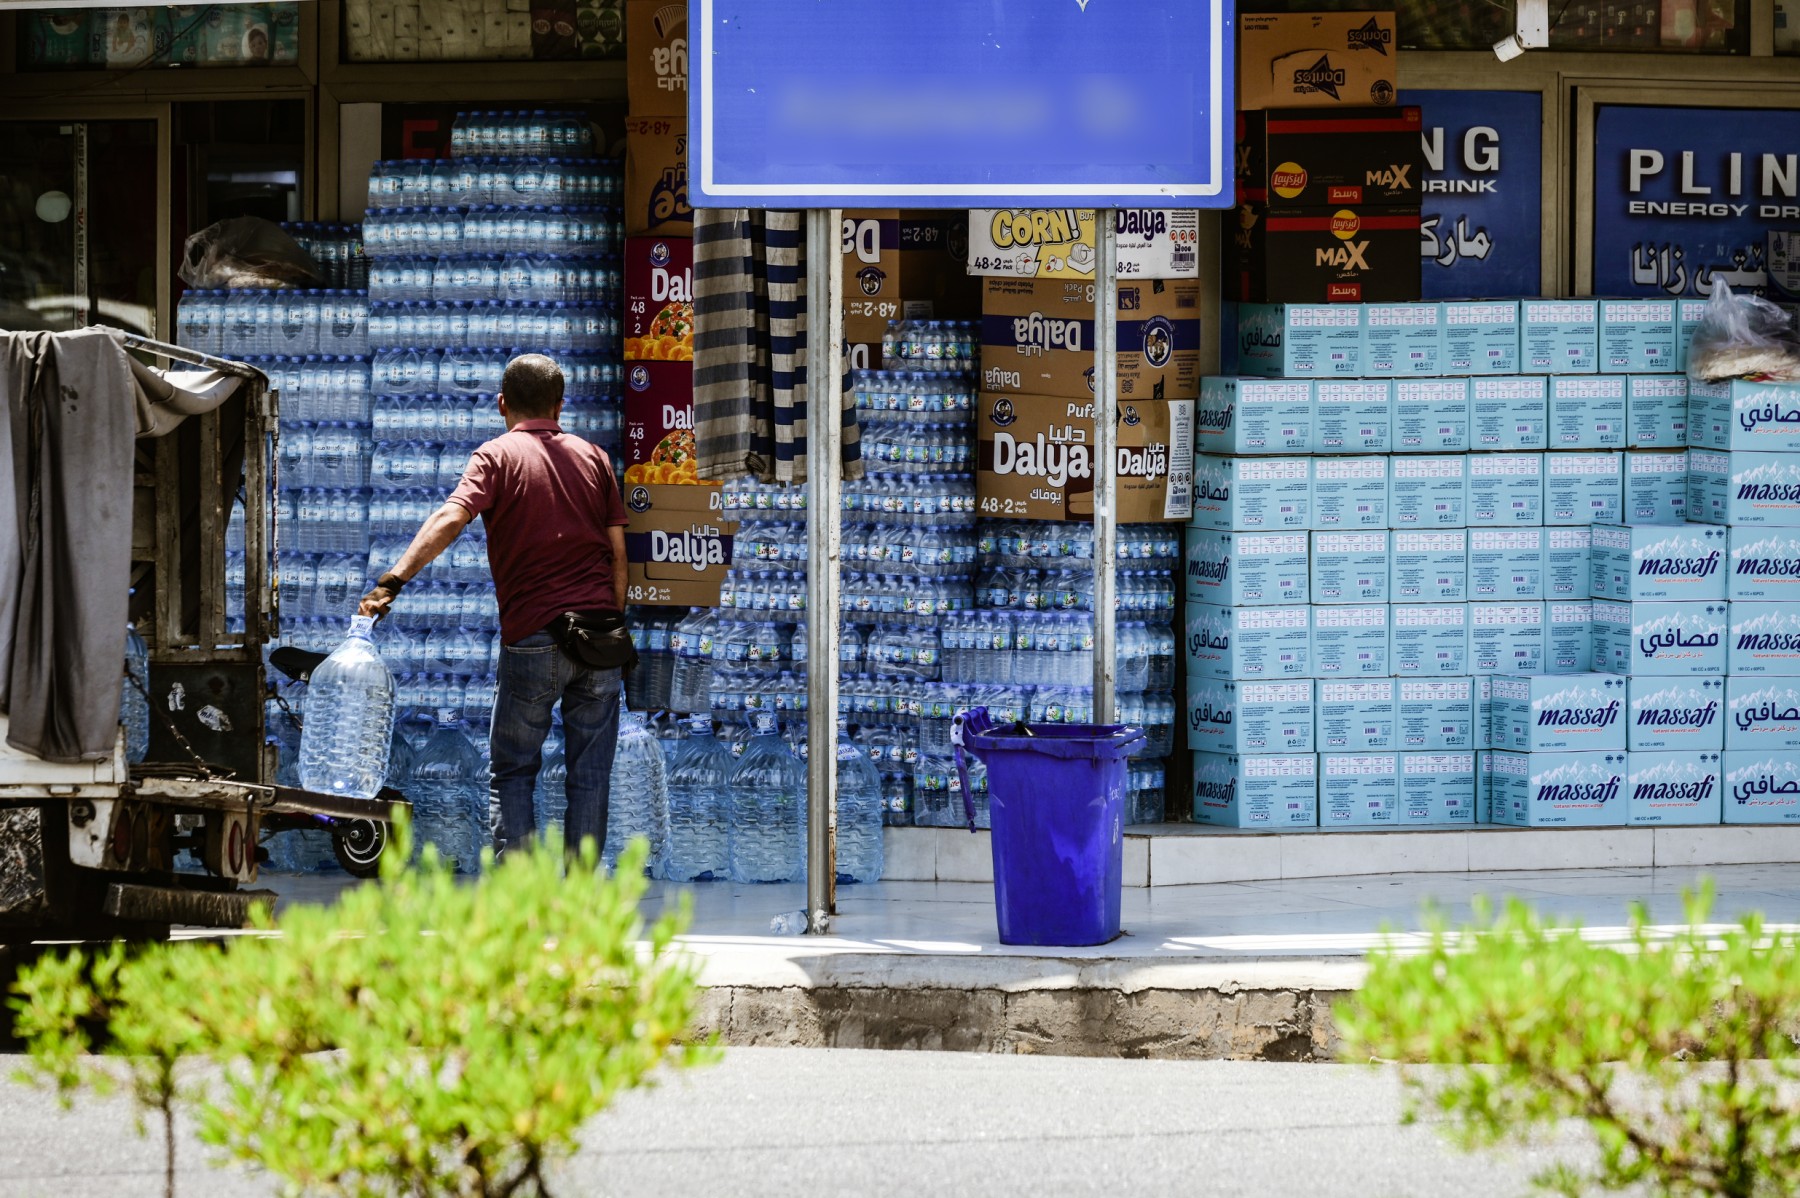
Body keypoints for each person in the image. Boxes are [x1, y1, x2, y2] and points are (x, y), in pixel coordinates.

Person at [360, 354, 629, 857]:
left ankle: (522, 904)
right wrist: (611, 629)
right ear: (560, 404)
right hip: (599, 637)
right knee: (590, 775)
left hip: (533, 639)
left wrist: (392, 581)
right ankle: (585, 904)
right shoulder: (594, 457)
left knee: (514, 771)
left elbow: (450, 517)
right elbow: (618, 554)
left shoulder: (495, 456)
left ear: (502, 403)